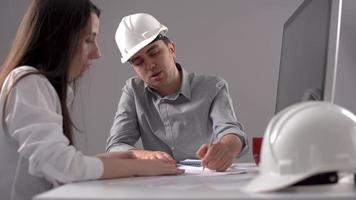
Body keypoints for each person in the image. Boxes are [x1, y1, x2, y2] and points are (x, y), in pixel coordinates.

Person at [0, 2, 183, 200]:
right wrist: (138, 167)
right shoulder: (29, 83)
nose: (97, 53)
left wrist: (129, 156)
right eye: (89, 40)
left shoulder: (42, 86)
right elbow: (61, 166)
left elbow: (64, 163)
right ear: (59, 39)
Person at [107, 13, 249, 172]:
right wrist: (142, 156)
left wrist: (227, 148)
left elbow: (231, 131)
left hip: (207, 183)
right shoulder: (133, 91)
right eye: (139, 62)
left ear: (171, 49)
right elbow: (116, 145)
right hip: (158, 188)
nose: (150, 65)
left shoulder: (213, 87)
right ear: (133, 68)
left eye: (154, 53)